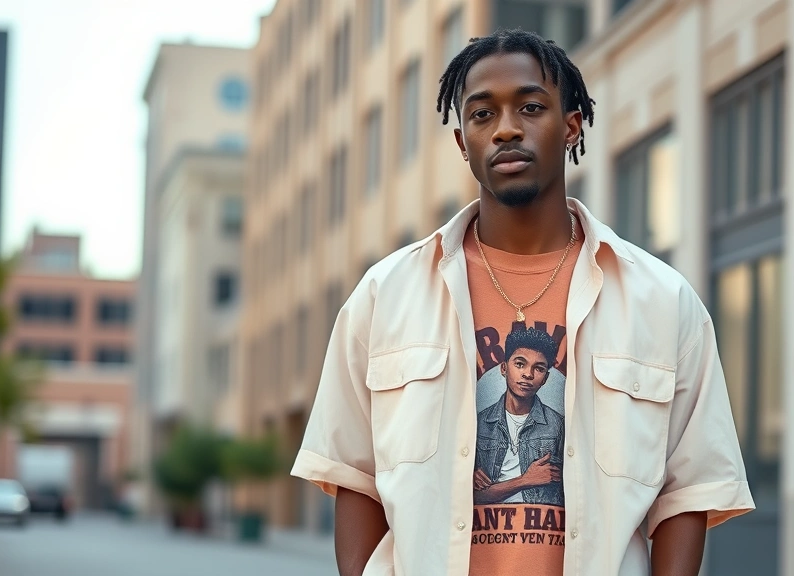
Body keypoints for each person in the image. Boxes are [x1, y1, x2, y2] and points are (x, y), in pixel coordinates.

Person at [292, 28, 753, 576]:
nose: (506, 128)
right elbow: (355, 478)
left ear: (571, 126)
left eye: (531, 107)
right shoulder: (385, 295)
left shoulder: (663, 301)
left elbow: (690, 490)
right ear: (463, 141)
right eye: (482, 114)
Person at [473, 327, 565, 507]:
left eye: (538, 368)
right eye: (520, 364)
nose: (528, 374)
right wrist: (526, 479)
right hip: (488, 529)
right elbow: (468, 497)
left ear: (545, 378)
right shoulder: (479, 423)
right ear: (504, 368)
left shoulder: (557, 425)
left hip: (539, 529)